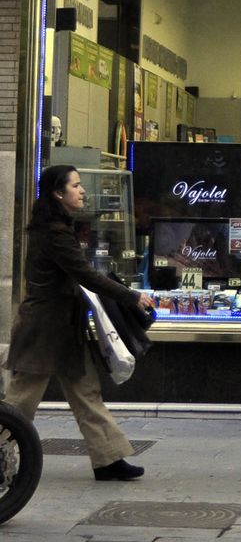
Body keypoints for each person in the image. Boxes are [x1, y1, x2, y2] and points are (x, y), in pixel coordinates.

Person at [4, 164, 156, 481]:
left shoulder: (59, 228)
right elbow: (85, 275)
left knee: (86, 391)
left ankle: (109, 459)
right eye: (75, 185)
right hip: (43, 329)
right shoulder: (54, 233)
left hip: (63, 328)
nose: (82, 190)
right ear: (59, 193)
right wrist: (130, 296)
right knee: (21, 400)